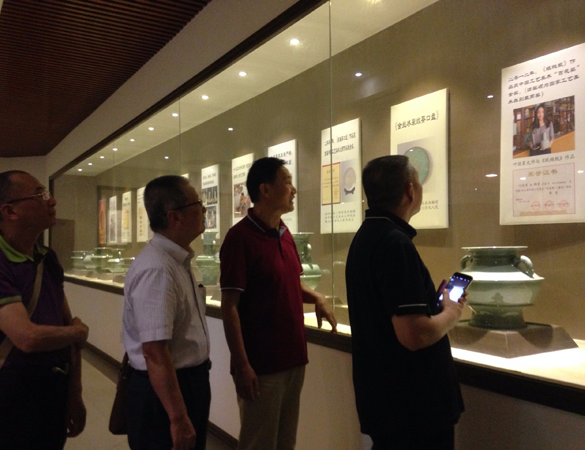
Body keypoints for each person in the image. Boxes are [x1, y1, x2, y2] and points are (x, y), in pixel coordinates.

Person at [346, 156, 465, 450]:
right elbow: (414, 334)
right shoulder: (394, 243)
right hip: (413, 409)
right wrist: (451, 312)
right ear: (410, 191)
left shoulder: (366, 236)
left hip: (385, 402)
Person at [220, 157, 337, 450]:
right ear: (266, 190)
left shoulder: (284, 234)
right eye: (287, 182)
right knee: (258, 443)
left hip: (293, 359)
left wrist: (317, 297)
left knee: (286, 442)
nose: (294, 190)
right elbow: (230, 306)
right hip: (261, 365)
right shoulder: (239, 238)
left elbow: (290, 282)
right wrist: (242, 364)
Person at [0, 170, 89, 450]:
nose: (51, 201)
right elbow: (27, 338)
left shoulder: (46, 257)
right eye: (40, 195)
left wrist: (74, 393)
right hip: (6, 402)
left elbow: (67, 328)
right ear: (10, 211)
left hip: (52, 392)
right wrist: (78, 332)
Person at [123, 175, 211, 450]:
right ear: (175, 217)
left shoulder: (177, 261)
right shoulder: (158, 269)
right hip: (165, 393)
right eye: (197, 203)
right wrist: (178, 418)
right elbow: (155, 352)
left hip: (185, 383)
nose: (204, 209)